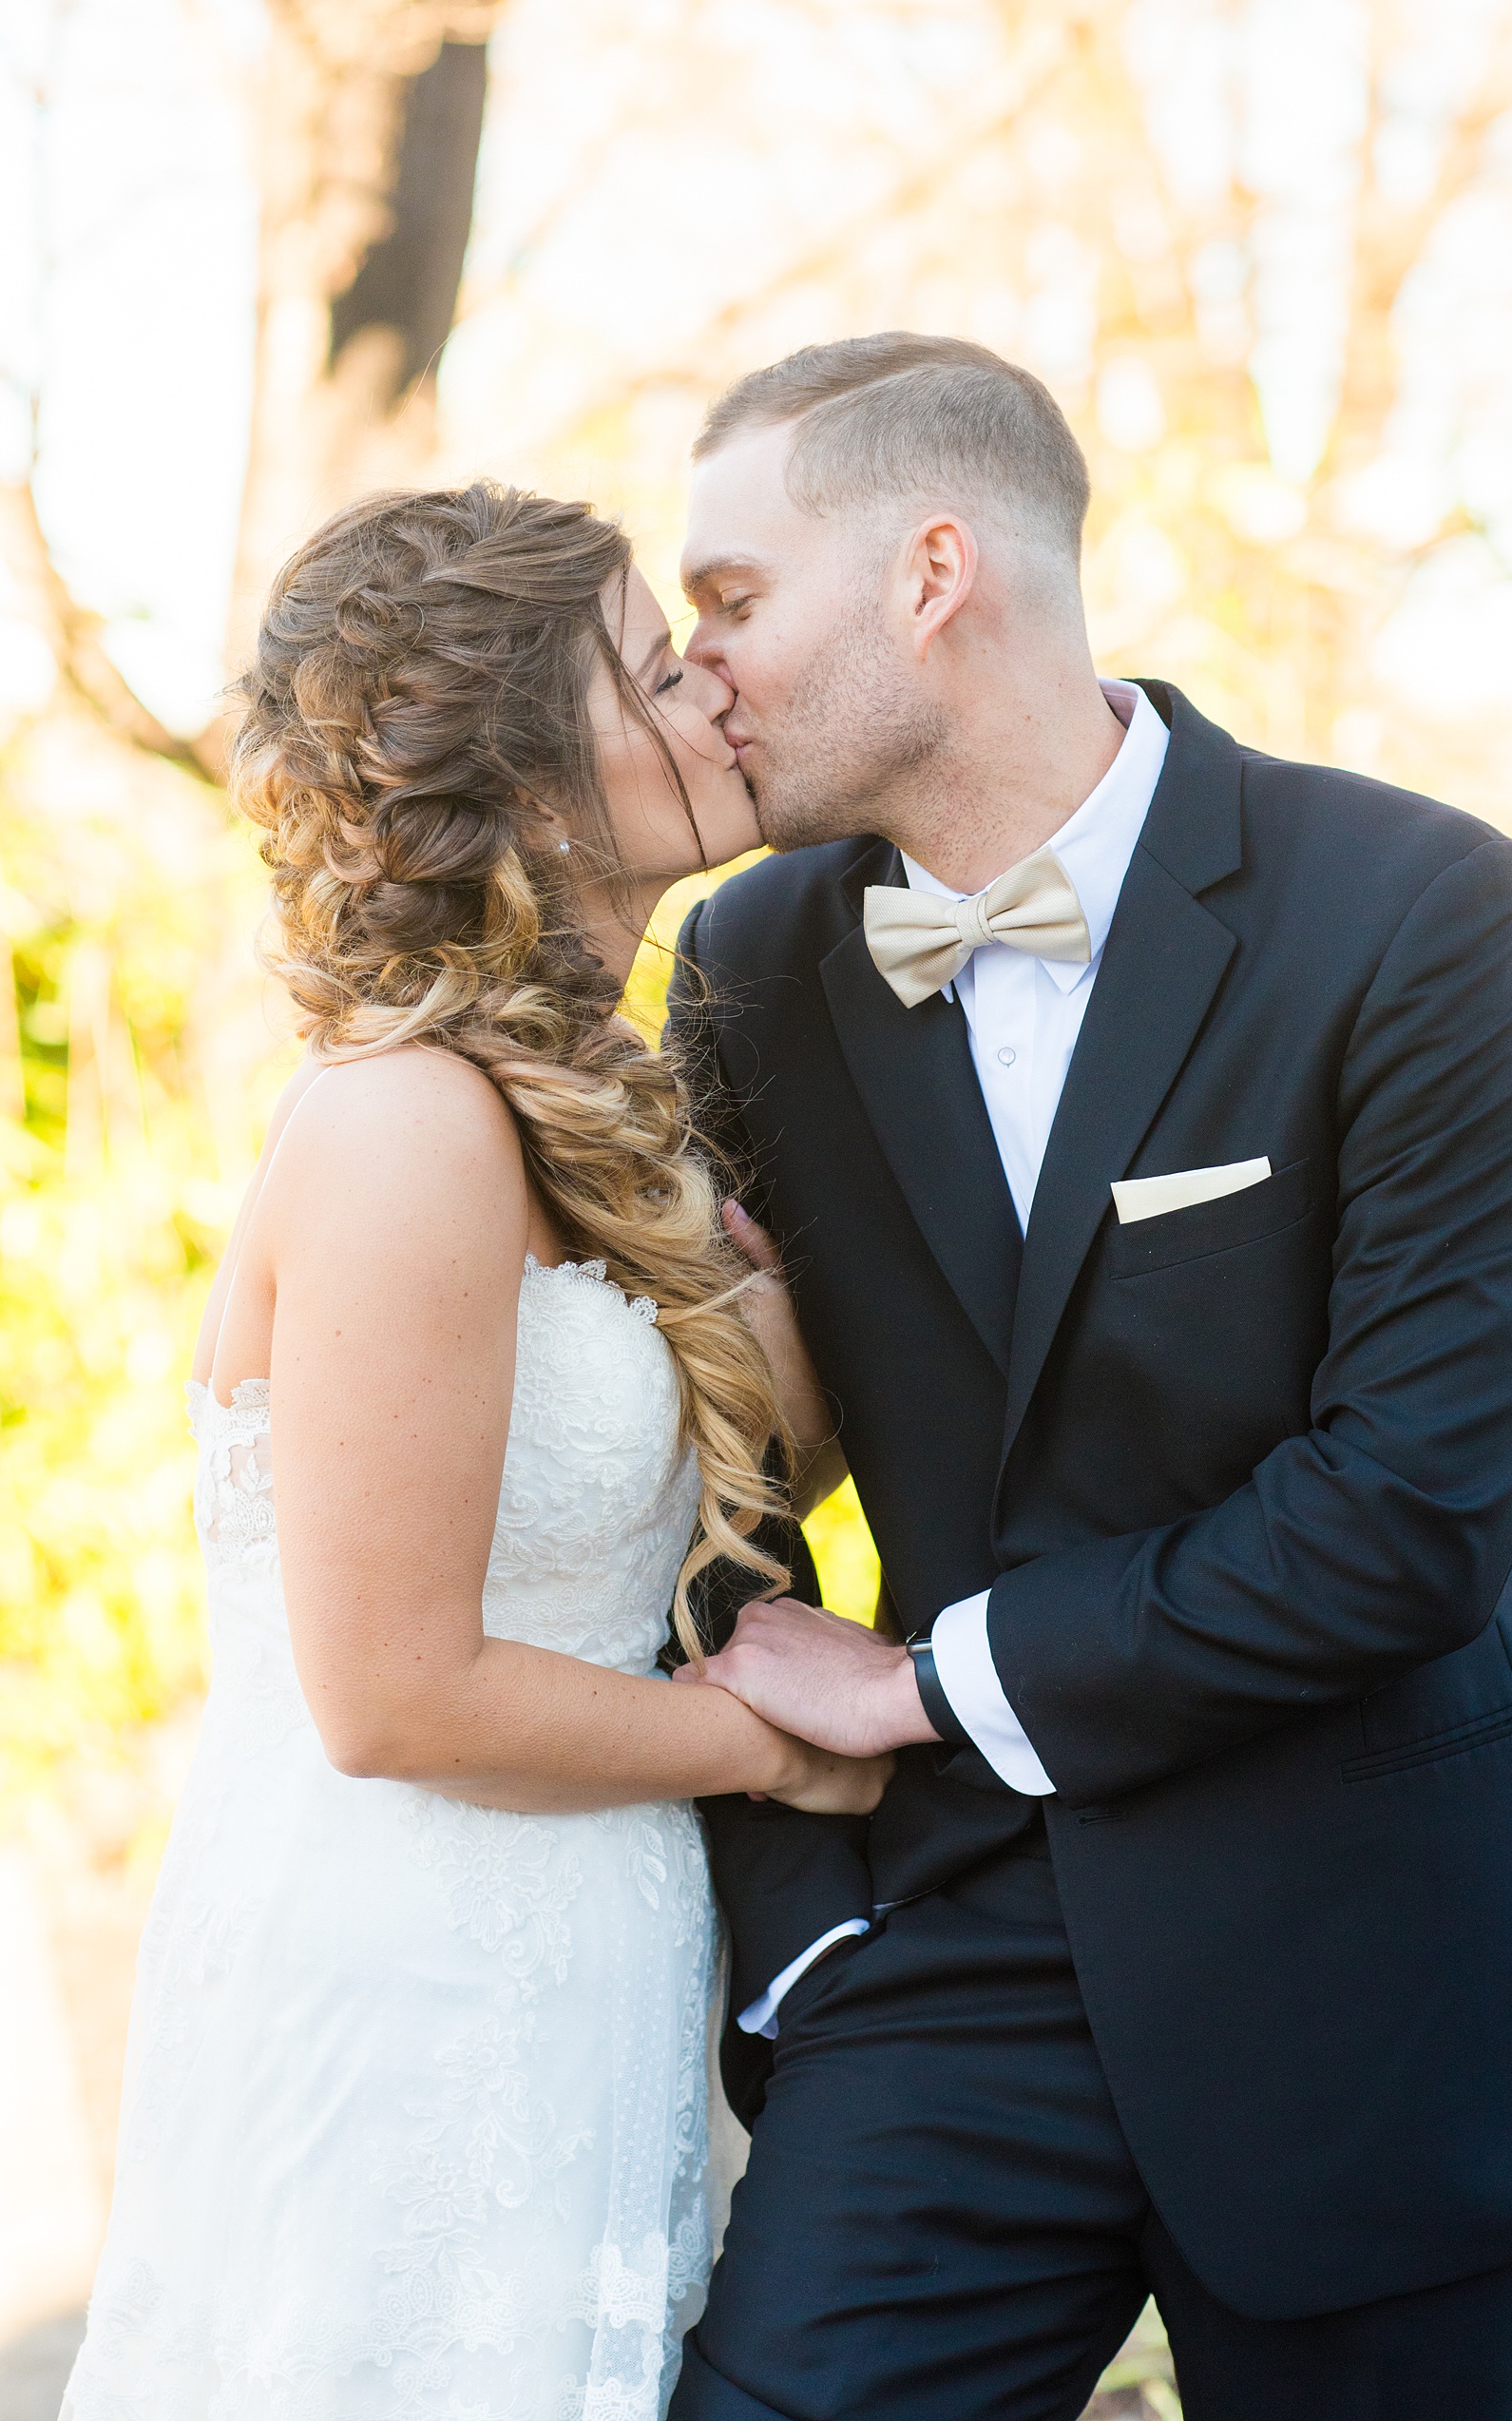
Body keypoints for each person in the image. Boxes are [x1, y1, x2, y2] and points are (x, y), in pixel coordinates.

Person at [661, 334, 1512, 2420]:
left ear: (933, 569)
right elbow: (698, 1465)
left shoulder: (1423, 913)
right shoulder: (745, 964)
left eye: (731, 597)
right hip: (948, 1954)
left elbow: (1408, 1516)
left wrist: (923, 1679)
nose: (691, 662)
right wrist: (805, 1930)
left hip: (1378, 1955)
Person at [61, 483, 887, 2421]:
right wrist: (788, 1743)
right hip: (408, 1977)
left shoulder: (599, 1105)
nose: (713, 690)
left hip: (585, 1951)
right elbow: (393, 1691)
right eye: (649, 665)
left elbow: (737, 1476)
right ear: (522, 783)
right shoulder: (403, 1125)